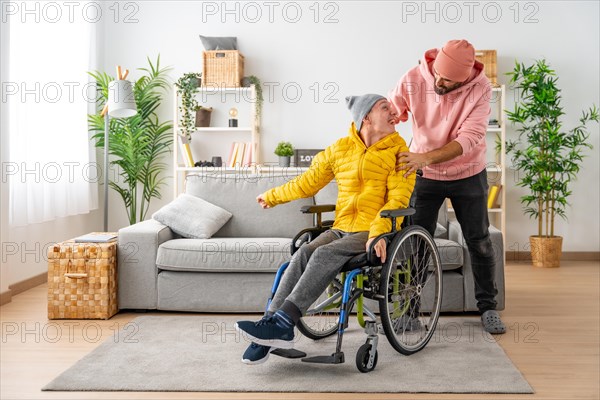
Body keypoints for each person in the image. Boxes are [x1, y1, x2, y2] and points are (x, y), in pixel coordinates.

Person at [235, 94, 416, 364]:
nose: (394, 113)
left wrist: (379, 232)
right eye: (385, 108)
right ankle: (270, 327)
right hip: (342, 226)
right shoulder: (340, 149)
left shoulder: (400, 154)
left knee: (323, 255)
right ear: (365, 117)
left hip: (373, 230)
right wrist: (273, 196)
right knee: (303, 253)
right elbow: (308, 183)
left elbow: (397, 200)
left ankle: (283, 323)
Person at [387, 39, 506, 334]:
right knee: (415, 243)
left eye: (449, 80)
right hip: (425, 176)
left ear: (465, 78)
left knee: (479, 241)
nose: (440, 82)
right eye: (438, 75)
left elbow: (469, 138)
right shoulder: (415, 78)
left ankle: (488, 307)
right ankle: (410, 311)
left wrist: (423, 157)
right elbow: (392, 112)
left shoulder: (481, 89)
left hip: (468, 173)